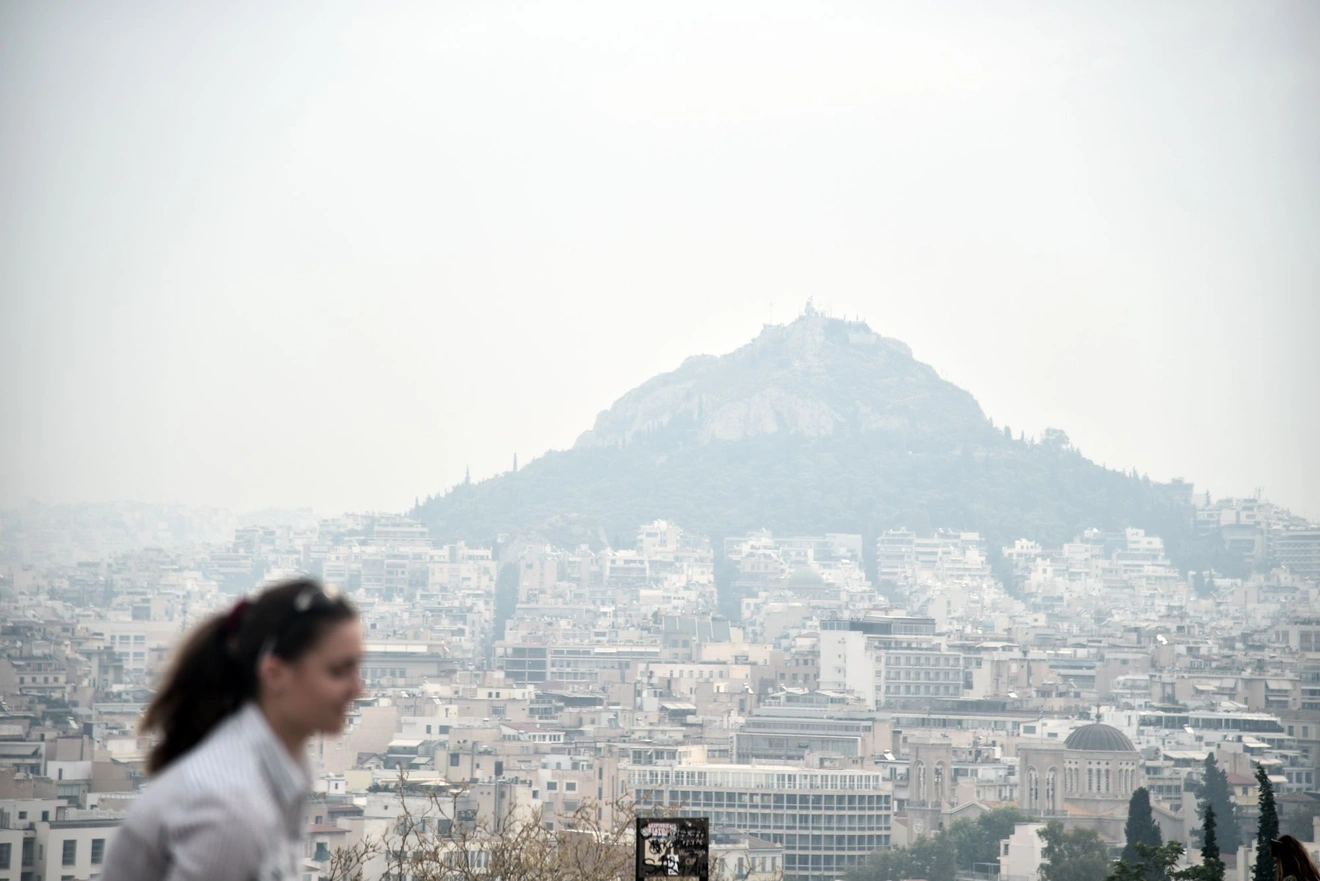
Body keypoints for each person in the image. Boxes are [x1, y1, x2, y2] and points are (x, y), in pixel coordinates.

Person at [101, 578, 363, 881]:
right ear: (275, 673)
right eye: (339, 671)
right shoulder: (230, 810)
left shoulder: (278, 772)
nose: (358, 688)